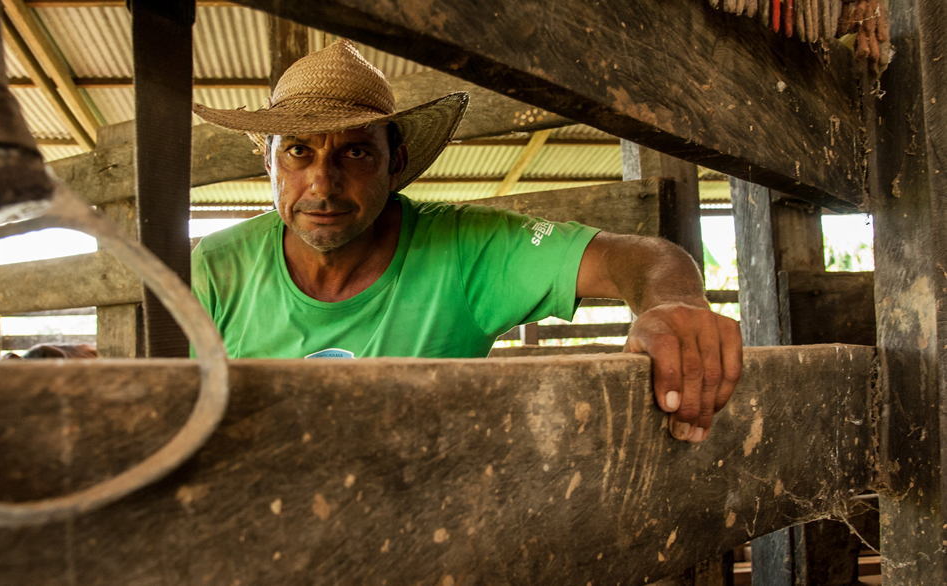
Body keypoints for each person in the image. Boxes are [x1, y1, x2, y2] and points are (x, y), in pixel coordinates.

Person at [191, 39, 742, 443]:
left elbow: (638, 255)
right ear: (267, 161)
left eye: (355, 152)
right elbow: (183, 413)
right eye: (297, 151)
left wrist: (673, 303)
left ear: (396, 163)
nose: (322, 183)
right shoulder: (218, 266)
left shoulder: (464, 250)